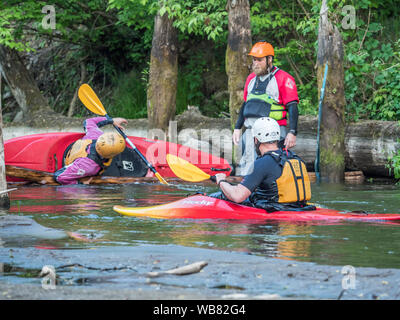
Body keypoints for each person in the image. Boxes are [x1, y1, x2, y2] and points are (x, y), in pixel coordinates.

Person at [212, 117, 314, 212]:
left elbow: (237, 196)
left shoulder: (262, 163)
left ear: (256, 140)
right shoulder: (294, 157)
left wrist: (221, 180)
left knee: (220, 196)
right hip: (299, 207)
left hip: (275, 212)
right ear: (277, 138)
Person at [232, 40, 300, 175]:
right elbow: (246, 105)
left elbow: (293, 107)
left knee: (271, 170)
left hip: (273, 134)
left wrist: (292, 132)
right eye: (254, 60)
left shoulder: (283, 78)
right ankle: (245, 193)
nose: (255, 63)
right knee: (246, 171)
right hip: (251, 133)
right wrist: (237, 128)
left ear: (269, 60)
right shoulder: (250, 79)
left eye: (259, 60)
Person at [55, 116, 129, 185]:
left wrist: (111, 120)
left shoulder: (95, 135)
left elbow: (88, 121)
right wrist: (80, 183)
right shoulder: (88, 167)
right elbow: (59, 177)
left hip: (74, 151)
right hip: (74, 164)